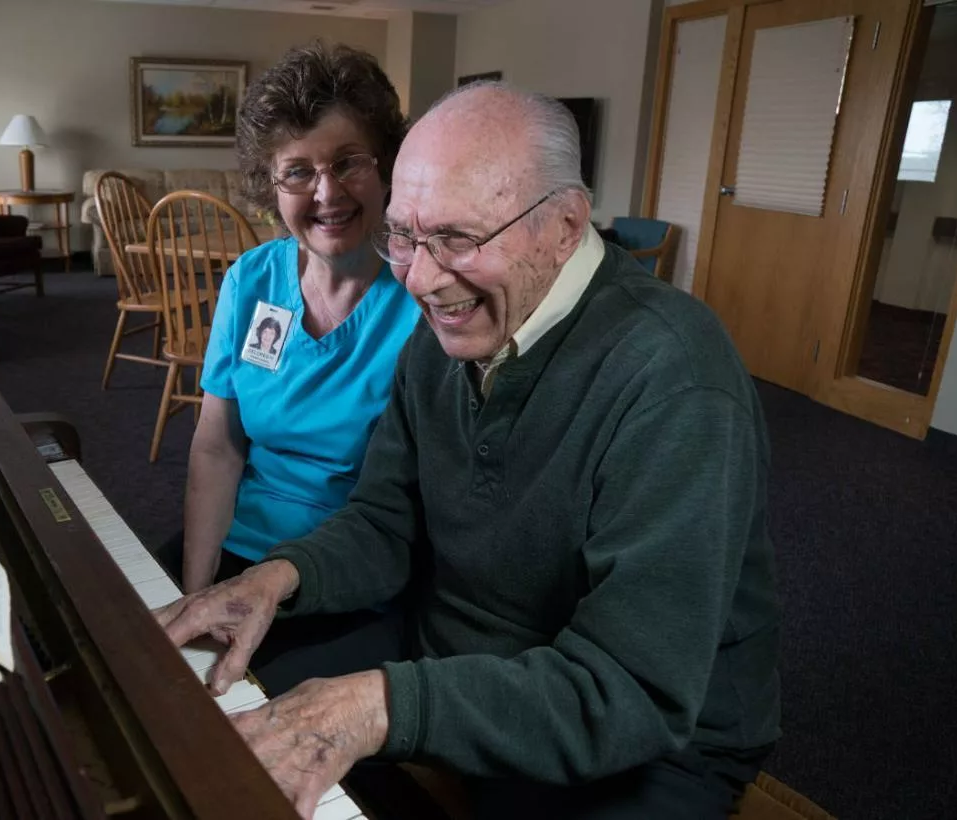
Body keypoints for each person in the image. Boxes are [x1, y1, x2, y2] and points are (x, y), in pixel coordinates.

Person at [158, 82, 781, 820]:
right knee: (211, 723)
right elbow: (387, 520)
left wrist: (382, 706)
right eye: (403, 236)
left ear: (565, 224)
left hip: (643, 733)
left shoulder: (673, 378)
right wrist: (281, 576)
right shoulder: (444, 333)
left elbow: (631, 690)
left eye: (456, 238)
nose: (419, 278)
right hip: (456, 656)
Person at [174, 42, 420, 594]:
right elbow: (217, 447)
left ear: (386, 168)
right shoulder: (250, 280)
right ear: (271, 187)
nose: (327, 192)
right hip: (241, 545)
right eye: (298, 172)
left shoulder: (422, 295)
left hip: (351, 571)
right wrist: (196, 590)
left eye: (348, 162)